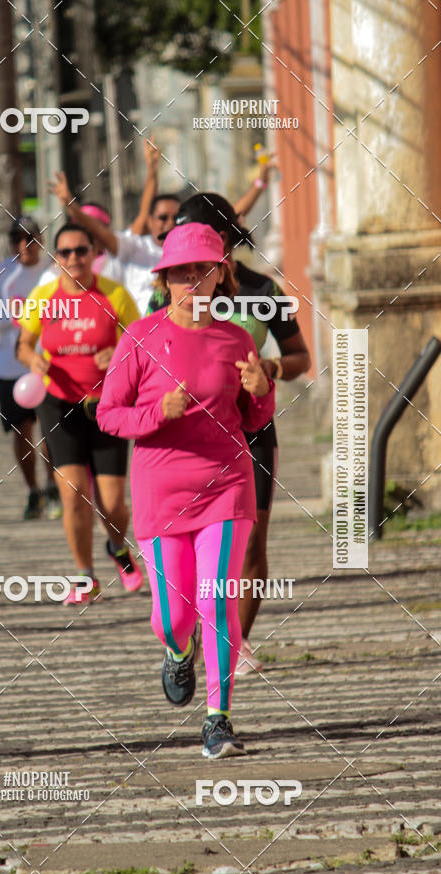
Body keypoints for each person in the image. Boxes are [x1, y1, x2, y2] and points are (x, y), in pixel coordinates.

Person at [97, 223, 276, 758]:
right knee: (172, 615)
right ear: (167, 280)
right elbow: (108, 415)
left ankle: (218, 719)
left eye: (202, 271)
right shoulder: (141, 337)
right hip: (161, 494)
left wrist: (262, 393)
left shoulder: (237, 339)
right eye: (181, 273)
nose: (192, 283)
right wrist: (158, 413)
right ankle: (178, 650)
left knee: (215, 600)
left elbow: (252, 419)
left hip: (225, 486)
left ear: (221, 275)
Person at [151, 193, 311, 674]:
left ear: (221, 237)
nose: (178, 249)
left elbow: (301, 357)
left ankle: (231, 641)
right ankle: (185, 627)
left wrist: (272, 367)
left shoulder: (262, 289)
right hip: (185, 439)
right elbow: (149, 345)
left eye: (188, 232)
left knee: (254, 541)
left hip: (252, 430)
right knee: (197, 542)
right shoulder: (171, 289)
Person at [17, 223, 143, 604]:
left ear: (93, 254)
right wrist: (34, 360)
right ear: (56, 259)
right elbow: (23, 346)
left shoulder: (115, 295)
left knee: (113, 502)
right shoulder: (42, 297)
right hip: (57, 402)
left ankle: (118, 547)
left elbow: (139, 342)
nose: (74, 258)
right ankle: (85, 576)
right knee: (72, 494)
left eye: (81, 251)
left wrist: (119, 351)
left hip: (107, 404)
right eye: (66, 252)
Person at [0, 215, 61, 520]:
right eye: (17, 239)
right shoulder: (0, 274)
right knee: (22, 431)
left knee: (51, 430)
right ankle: (33, 491)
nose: (24, 245)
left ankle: (53, 487)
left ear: (42, 240)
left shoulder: (54, 272)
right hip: (11, 368)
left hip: (48, 364)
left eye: (31, 238)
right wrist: (12, 316)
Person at [51, 165, 179, 315]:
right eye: (66, 252)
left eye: (95, 226)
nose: (170, 223)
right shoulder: (134, 247)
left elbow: (143, 215)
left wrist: (152, 171)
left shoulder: (118, 251)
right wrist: (72, 207)